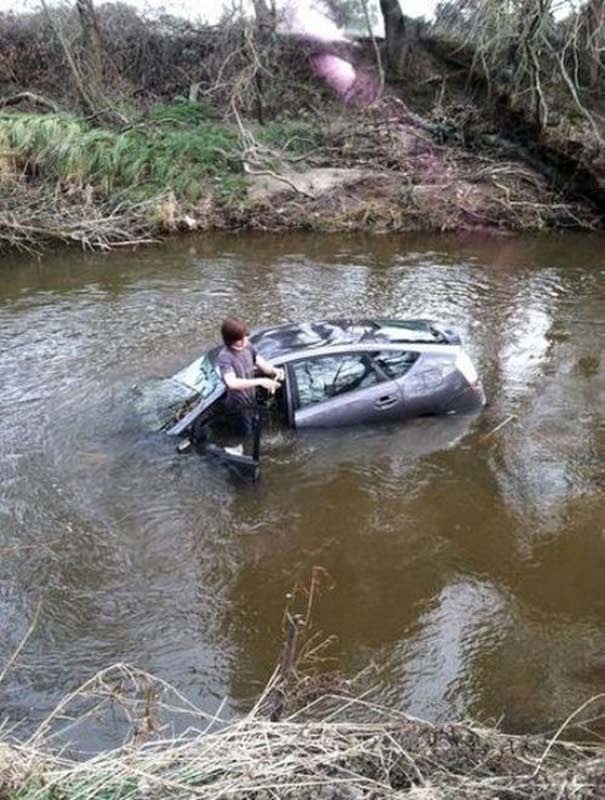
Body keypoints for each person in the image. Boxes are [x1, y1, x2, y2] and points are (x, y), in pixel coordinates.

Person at [217, 317, 284, 440]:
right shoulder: (225, 357)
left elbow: (261, 363)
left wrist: (274, 370)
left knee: (255, 434)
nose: (243, 342)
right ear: (229, 340)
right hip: (238, 408)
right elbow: (232, 383)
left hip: (251, 402)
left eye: (244, 337)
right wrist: (261, 381)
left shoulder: (248, 346)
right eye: (238, 340)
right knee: (246, 439)